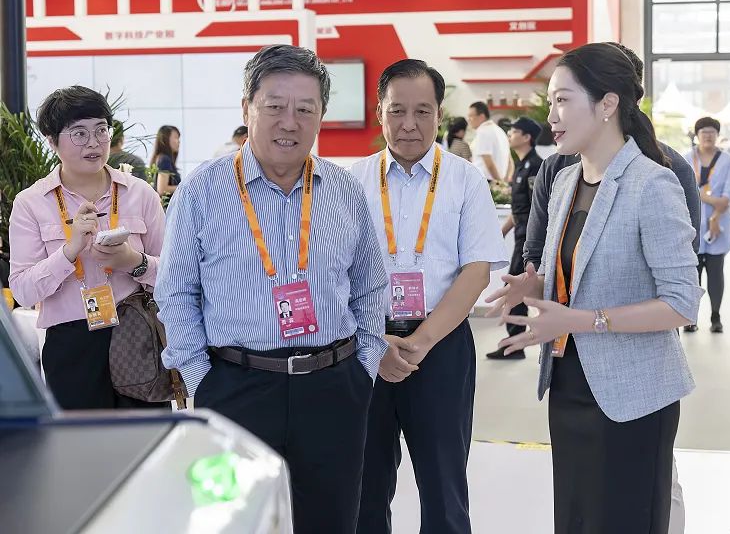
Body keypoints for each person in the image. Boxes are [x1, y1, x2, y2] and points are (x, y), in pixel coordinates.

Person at [156, 44, 387, 534]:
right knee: (236, 524)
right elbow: (175, 292)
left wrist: (363, 369)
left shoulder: (344, 190)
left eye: (305, 109)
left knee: (331, 523)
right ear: (247, 108)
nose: (290, 122)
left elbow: (370, 285)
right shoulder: (202, 190)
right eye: (275, 106)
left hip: (333, 387)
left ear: (321, 116)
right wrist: (202, 380)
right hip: (235, 388)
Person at [487, 42, 702, 534]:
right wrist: (536, 283)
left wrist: (583, 321)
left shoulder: (653, 183)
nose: (551, 116)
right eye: (550, 102)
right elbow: (580, 273)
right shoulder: (566, 181)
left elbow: (682, 301)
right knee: (578, 519)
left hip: (633, 395)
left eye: (562, 100)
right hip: (570, 385)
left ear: (607, 105)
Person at [350, 59, 507, 534]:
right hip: (367, 349)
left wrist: (420, 342)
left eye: (422, 111)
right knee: (363, 487)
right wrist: (375, 342)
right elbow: (334, 273)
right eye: (397, 110)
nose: (409, 124)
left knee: (444, 487)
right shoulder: (351, 181)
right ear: (380, 113)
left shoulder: (464, 179)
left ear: (439, 114)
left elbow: (476, 270)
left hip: (441, 348)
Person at [9, 85, 165, 410]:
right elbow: (22, 291)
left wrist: (134, 262)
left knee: (147, 436)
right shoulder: (31, 203)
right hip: (71, 345)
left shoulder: (140, 194)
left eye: (101, 130)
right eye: (79, 133)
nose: (93, 143)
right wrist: (69, 251)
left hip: (138, 334)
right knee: (82, 440)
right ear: (52, 141)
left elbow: (175, 275)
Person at [488, 116, 542, 360]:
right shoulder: (520, 166)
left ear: (527, 137)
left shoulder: (535, 167)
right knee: (515, 289)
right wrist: (501, 232)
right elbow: (518, 209)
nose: (510, 135)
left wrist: (532, 242)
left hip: (530, 240)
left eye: (515, 131)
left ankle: (515, 345)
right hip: (521, 235)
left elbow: (539, 210)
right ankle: (514, 343)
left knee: (515, 289)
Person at [683, 117, 730, 334]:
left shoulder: (728, 161)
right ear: (697, 135)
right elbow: (681, 192)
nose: (707, 135)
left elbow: (727, 197)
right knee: (692, 275)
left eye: (712, 132)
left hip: (718, 226)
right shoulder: (686, 159)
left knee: (716, 273)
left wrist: (713, 215)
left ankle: (716, 316)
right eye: (704, 132)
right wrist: (708, 197)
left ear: (717, 135)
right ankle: (690, 318)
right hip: (691, 227)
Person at [468, 101, 511, 181]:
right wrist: (505, 182)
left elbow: (489, 162)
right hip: (497, 180)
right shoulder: (500, 130)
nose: (469, 119)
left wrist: (499, 183)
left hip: (487, 181)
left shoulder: (483, 132)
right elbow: (510, 161)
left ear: (482, 116)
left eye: (471, 116)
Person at [150, 125, 181, 196]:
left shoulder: (160, 158)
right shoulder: (164, 160)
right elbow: (162, 189)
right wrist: (183, 187)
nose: (179, 141)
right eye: (176, 137)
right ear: (166, 139)